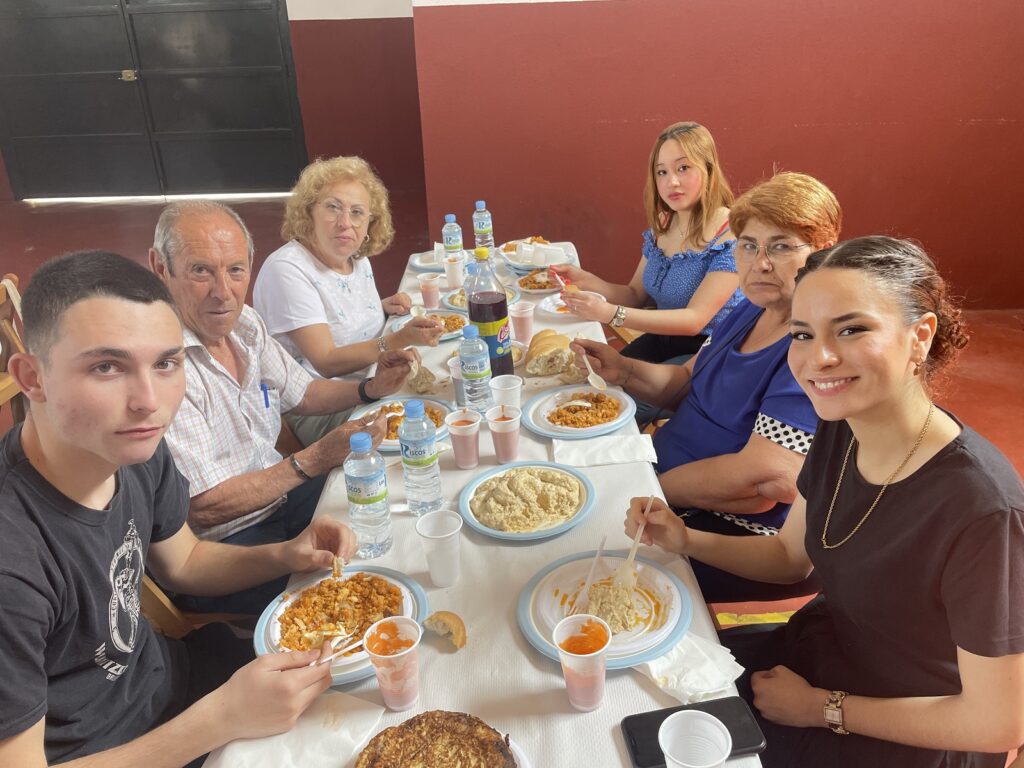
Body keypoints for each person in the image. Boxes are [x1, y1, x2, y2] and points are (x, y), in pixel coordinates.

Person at [625, 236, 1024, 767]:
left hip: (907, 728)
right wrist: (686, 538)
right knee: (641, 702)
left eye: (852, 329)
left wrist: (823, 709)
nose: (820, 358)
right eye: (803, 334)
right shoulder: (841, 427)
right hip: (819, 653)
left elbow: (997, 723)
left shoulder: (984, 512)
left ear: (919, 336)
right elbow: (791, 558)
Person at [0, 250, 355, 767]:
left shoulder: (129, 446)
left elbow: (185, 562)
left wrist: (284, 554)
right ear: (31, 377)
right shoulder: (12, 560)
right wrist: (223, 718)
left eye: (166, 363)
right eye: (106, 366)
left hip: (186, 683)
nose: (150, 400)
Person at [574, 172, 840, 602]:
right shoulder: (749, 311)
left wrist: (651, 485)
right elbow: (684, 382)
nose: (761, 262)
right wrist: (622, 370)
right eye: (749, 245)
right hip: (670, 485)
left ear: (823, 253)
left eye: (782, 246)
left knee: (586, 573)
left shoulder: (809, 349)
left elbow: (767, 477)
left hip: (727, 531)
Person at [149, 200, 412, 613]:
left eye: (235, 270)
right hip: (229, 548)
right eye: (201, 270)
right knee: (373, 584)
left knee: (399, 509)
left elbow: (303, 392)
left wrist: (371, 390)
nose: (223, 292)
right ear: (160, 268)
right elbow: (207, 506)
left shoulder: (245, 323)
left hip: (284, 501)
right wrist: (316, 458)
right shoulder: (159, 365)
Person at [253, 155, 443, 446]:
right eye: (333, 207)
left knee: (446, 390)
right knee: (426, 430)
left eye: (357, 213)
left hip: (371, 380)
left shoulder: (354, 259)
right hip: (319, 404)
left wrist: (378, 308)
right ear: (309, 212)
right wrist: (399, 338)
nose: (345, 223)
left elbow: (336, 314)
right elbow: (326, 361)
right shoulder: (287, 270)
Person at [554, 122, 743, 364]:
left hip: (710, 352)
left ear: (708, 169)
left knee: (627, 394)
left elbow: (695, 320)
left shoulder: (731, 234)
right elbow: (634, 295)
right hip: (662, 340)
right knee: (600, 380)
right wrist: (581, 279)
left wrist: (610, 314)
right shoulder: (664, 224)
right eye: (661, 172)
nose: (671, 181)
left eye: (683, 168)